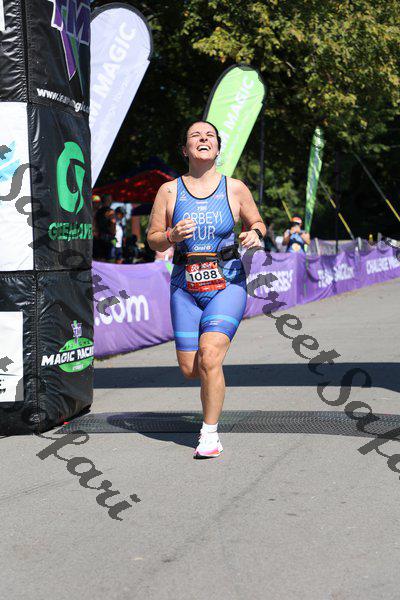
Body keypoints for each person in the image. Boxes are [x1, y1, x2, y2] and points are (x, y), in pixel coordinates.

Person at [147, 120, 266, 459]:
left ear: (217, 148)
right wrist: (170, 236)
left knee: (210, 355)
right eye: (195, 136)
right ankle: (212, 386)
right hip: (184, 286)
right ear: (185, 150)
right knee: (191, 369)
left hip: (227, 283)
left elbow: (258, 223)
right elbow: (153, 238)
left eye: (210, 135)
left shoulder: (235, 188)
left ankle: (210, 434)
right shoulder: (169, 191)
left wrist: (255, 233)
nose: (203, 139)